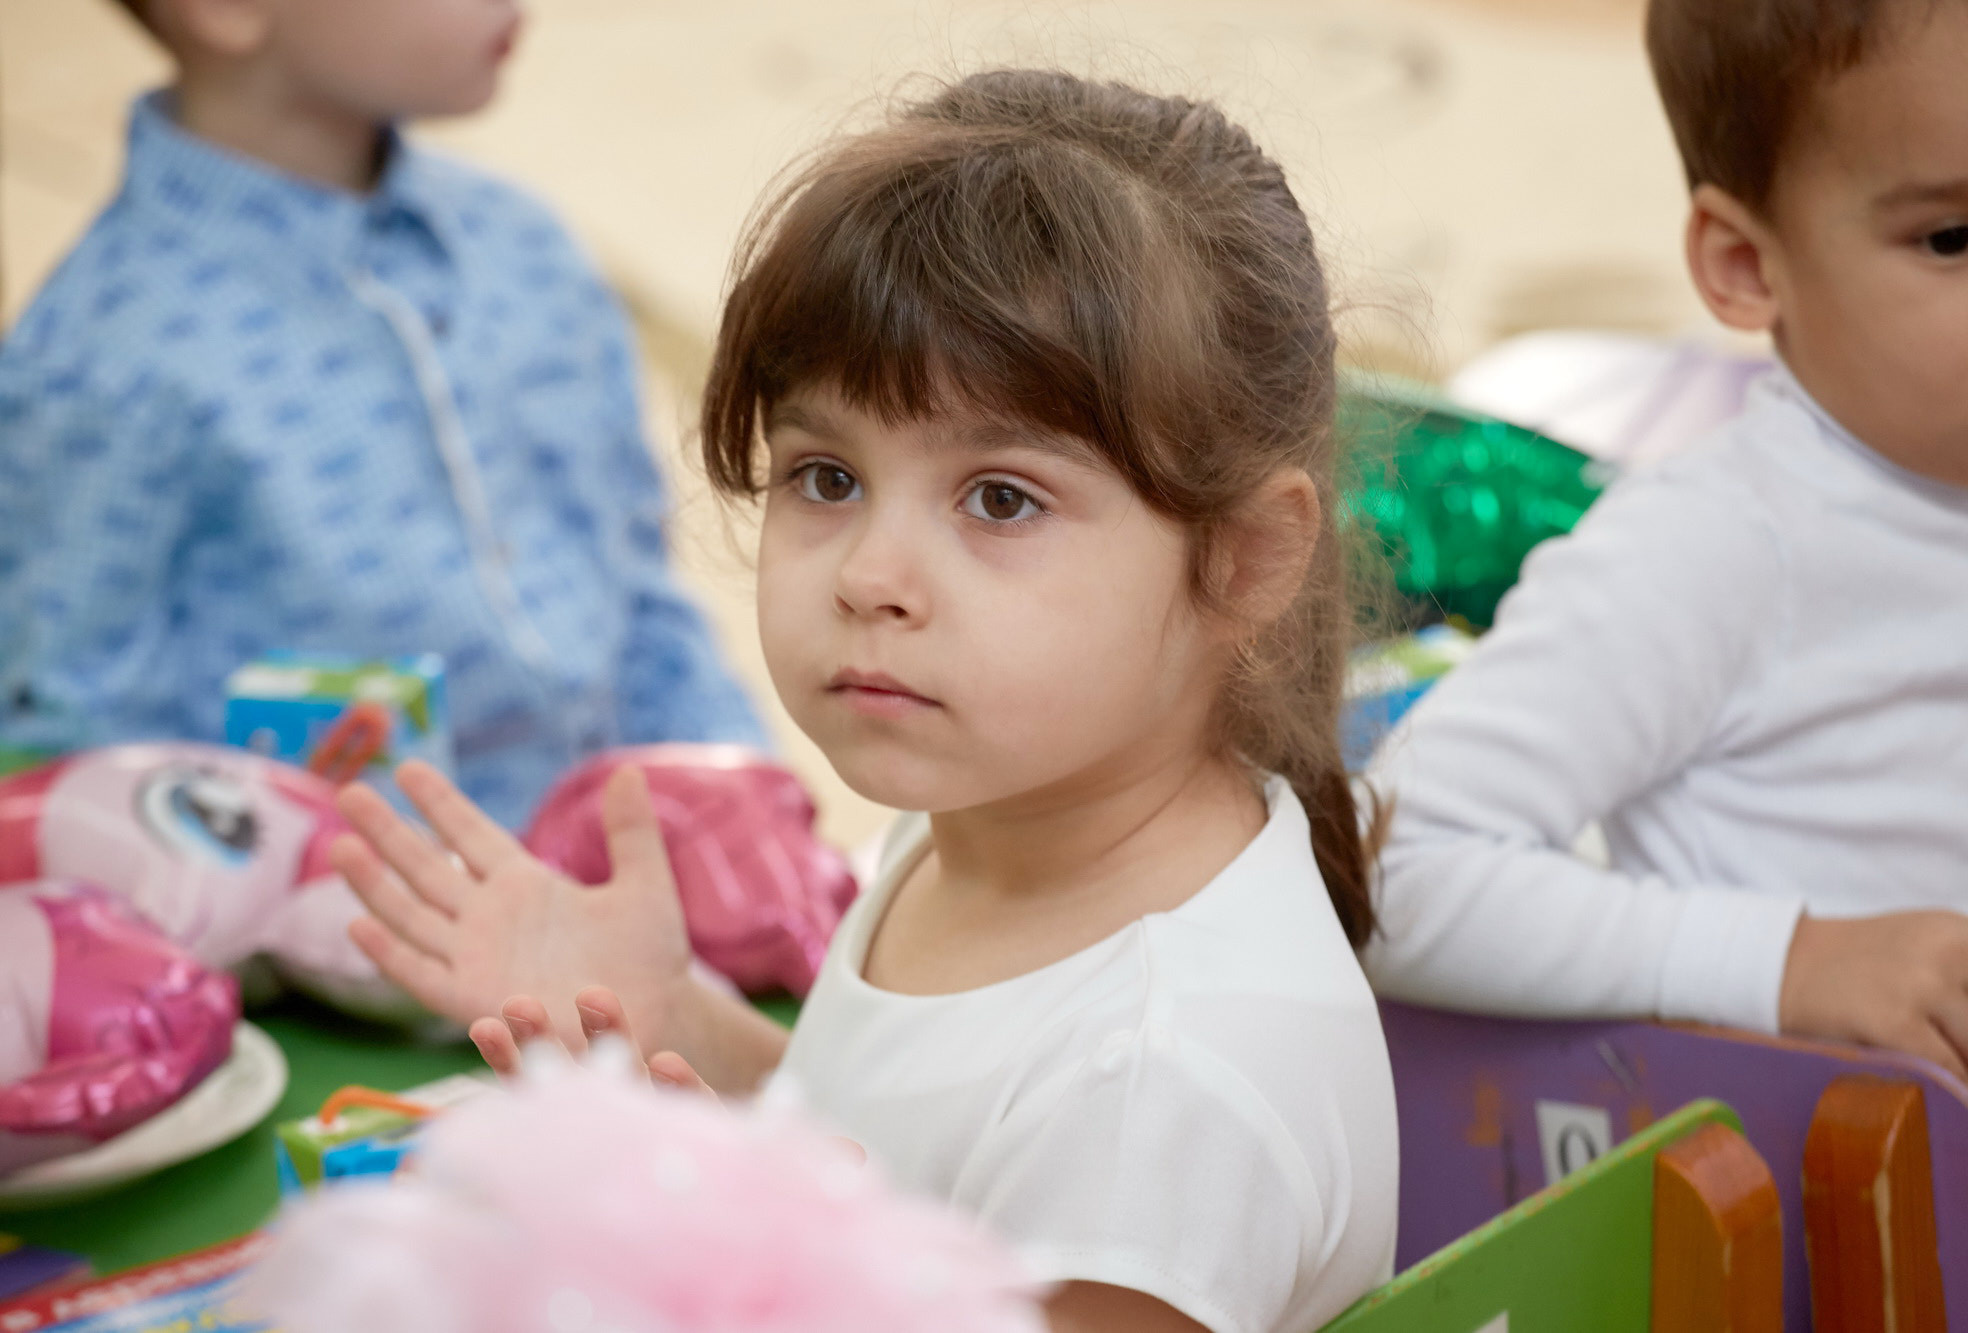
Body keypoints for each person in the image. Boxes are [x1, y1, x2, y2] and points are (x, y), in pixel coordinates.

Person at [328, 70, 1401, 1333]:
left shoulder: (1160, 1089)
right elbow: (903, 1159)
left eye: (999, 497)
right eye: (825, 475)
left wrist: (699, 1245)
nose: (871, 578)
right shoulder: (997, 813)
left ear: (1242, 558)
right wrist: (680, 1022)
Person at [1364, 0, 1968, 1109]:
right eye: (1952, 238)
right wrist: (1789, 960)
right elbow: (1391, 874)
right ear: (1746, 264)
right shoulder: (1719, 546)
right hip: (1840, 1237)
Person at [0, 0, 764, 829]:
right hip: (342, 941)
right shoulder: (103, 357)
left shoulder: (527, 248)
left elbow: (640, 600)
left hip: (649, 897)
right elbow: (78, 756)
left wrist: (752, 805)